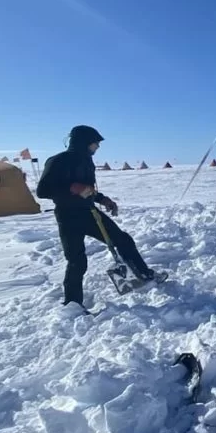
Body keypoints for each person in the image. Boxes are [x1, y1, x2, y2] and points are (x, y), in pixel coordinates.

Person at [36, 125, 163, 309]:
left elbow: (87, 190)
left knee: (123, 240)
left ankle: (145, 275)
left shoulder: (87, 161)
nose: (97, 147)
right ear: (84, 142)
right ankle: (73, 304)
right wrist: (71, 188)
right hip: (67, 216)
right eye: (95, 143)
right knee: (76, 260)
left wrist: (102, 199)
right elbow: (42, 191)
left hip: (89, 213)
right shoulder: (57, 161)